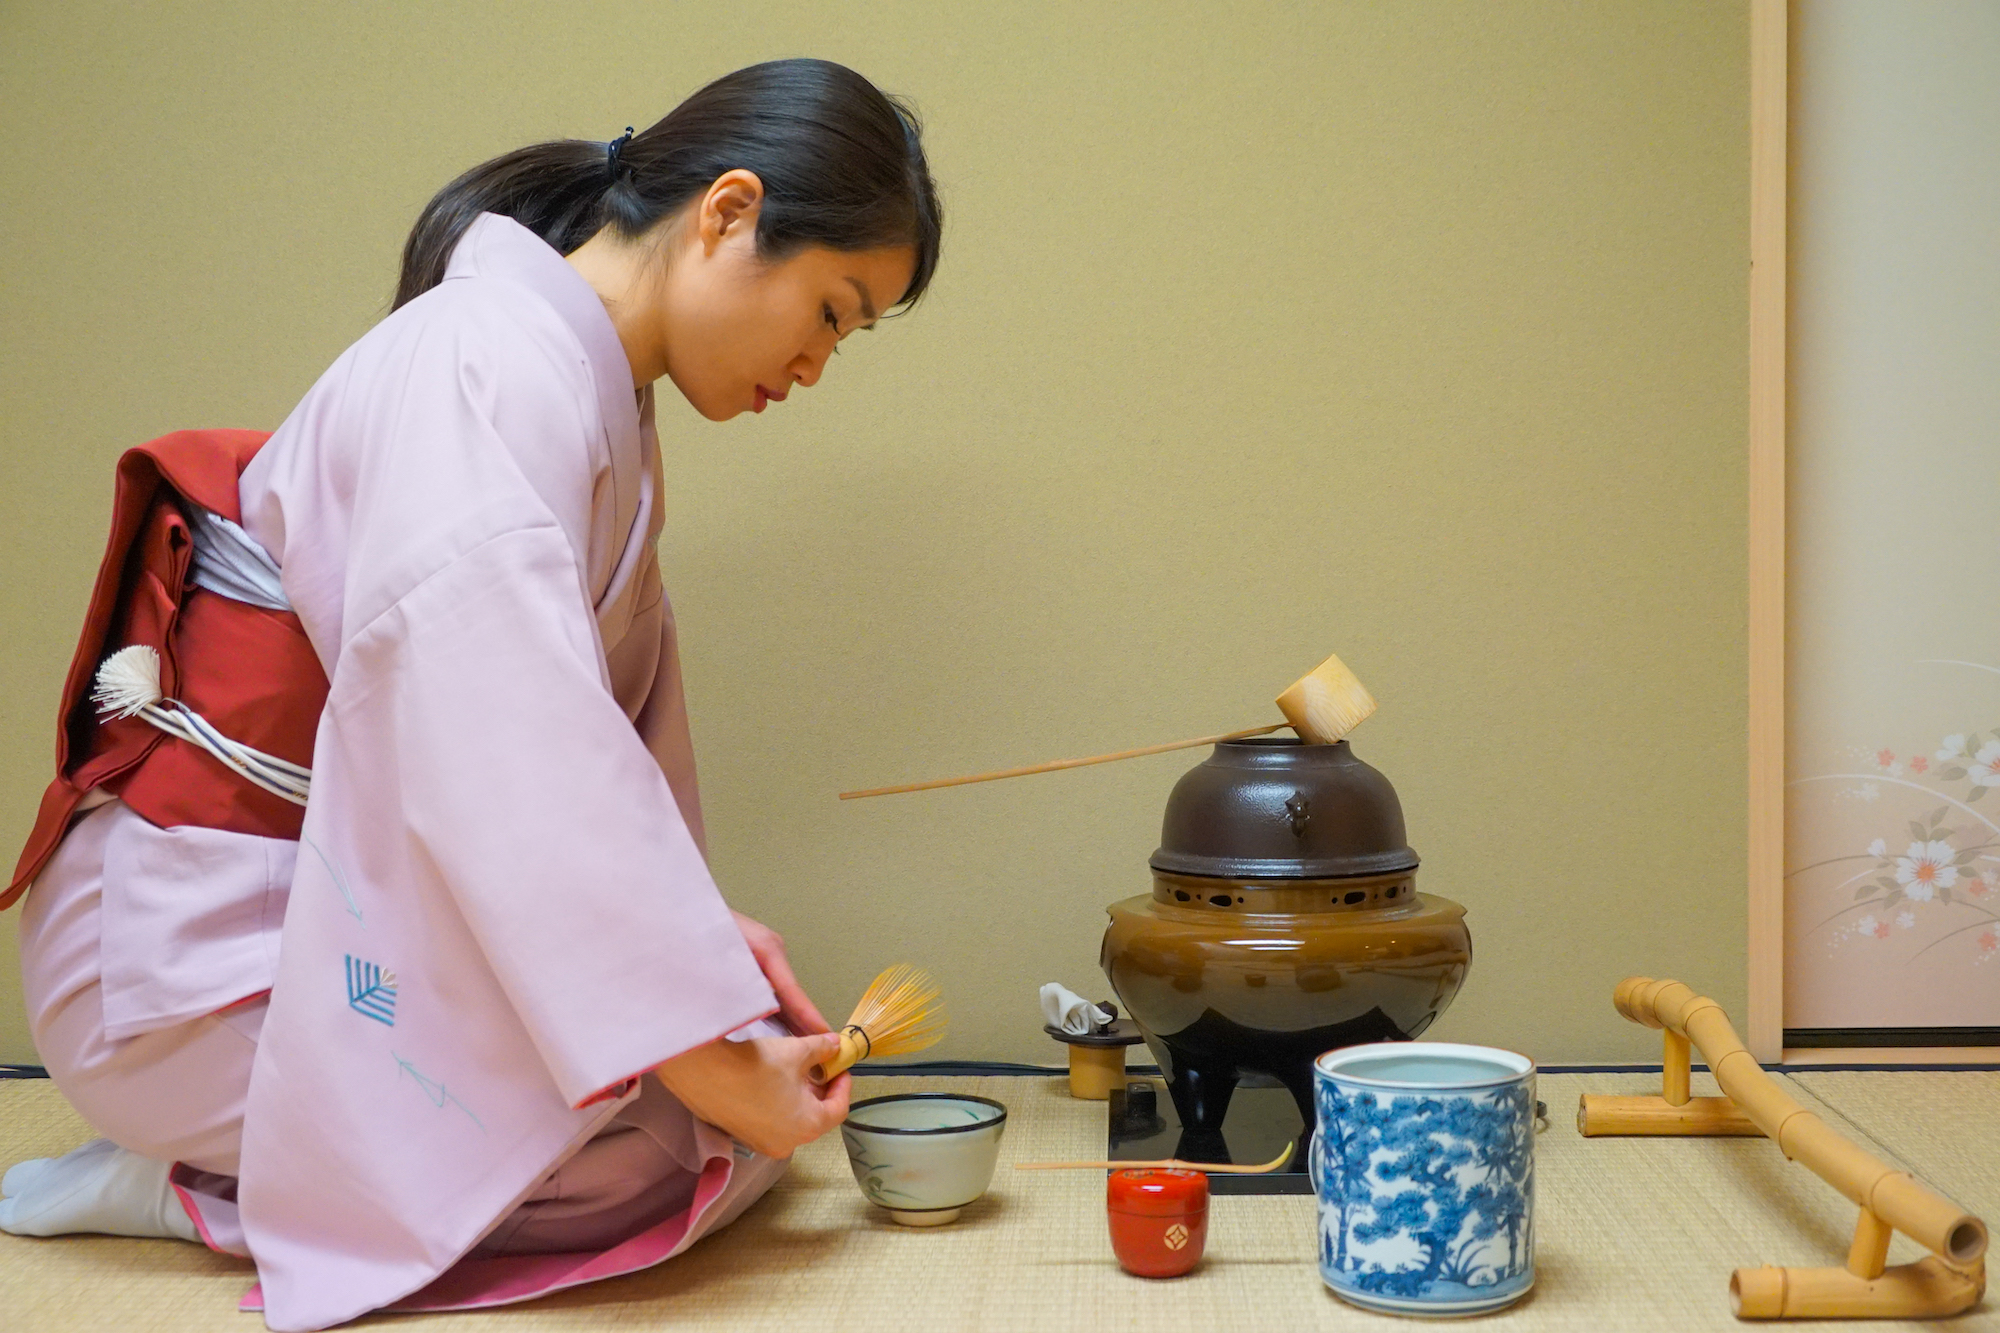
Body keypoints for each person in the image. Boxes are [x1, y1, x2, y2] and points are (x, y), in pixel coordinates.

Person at [0, 57, 941, 1332]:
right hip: (191, 944)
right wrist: (702, 1058)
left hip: (313, 901)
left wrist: (700, 950)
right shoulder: (476, 364)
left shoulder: (574, 390)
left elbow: (579, 763)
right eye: (832, 310)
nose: (820, 362)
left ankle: (270, 1165)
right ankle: (187, 1188)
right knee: (658, 1149)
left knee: (724, 1128)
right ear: (726, 212)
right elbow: (506, 760)